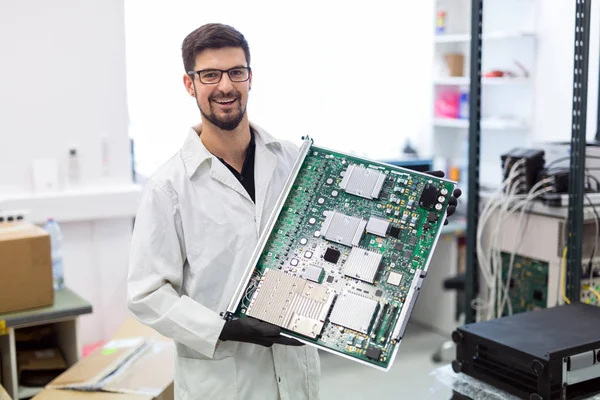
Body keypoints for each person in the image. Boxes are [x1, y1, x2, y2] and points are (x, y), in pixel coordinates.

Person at [127, 23, 461, 400]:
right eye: (210, 75)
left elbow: (353, 229)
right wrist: (226, 328)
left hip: (296, 368)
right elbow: (147, 294)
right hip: (224, 378)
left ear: (250, 78)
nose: (225, 86)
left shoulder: (295, 161)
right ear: (190, 84)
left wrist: (420, 215)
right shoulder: (168, 188)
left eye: (236, 72)